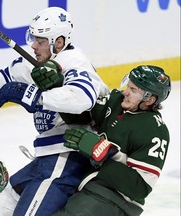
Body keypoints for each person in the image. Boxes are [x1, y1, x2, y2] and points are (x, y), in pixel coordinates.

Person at [0, 7, 109, 216]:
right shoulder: (36, 62)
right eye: (33, 38)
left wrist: (34, 95)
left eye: (41, 41)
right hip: (46, 157)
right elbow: (8, 76)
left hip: (68, 157)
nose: (33, 45)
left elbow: (82, 97)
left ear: (59, 42)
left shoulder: (75, 62)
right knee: (1, 207)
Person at [54, 65, 171, 216]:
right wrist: (57, 89)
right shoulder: (117, 101)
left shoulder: (155, 131)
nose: (125, 92)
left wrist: (103, 155)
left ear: (149, 100)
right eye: (128, 86)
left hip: (117, 200)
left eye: (133, 90)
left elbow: (140, 188)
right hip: (88, 182)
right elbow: (80, 117)